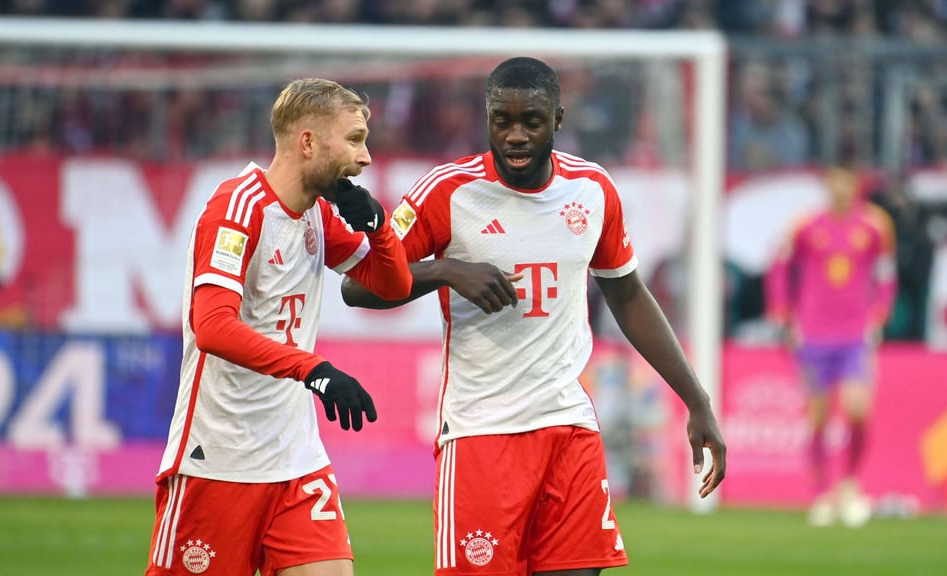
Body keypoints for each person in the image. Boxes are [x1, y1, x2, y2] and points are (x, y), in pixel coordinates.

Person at [342, 57, 726, 576]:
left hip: (568, 427)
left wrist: (696, 401)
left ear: (558, 120)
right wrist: (446, 270)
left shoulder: (592, 191)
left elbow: (629, 296)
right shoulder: (448, 191)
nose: (516, 135)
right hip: (481, 433)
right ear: (487, 119)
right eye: (503, 121)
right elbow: (357, 286)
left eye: (532, 121)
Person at [145, 78, 412, 576]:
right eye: (354, 139)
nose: (367, 157)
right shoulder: (237, 207)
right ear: (307, 141)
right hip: (219, 457)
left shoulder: (317, 215)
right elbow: (213, 327)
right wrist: (314, 370)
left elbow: (389, 287)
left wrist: (379, 227)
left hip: (297, 459)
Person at [766, 164, 897, 528]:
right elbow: (779, 265)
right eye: (834, 180)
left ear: (856, 184)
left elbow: (886, 274)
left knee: (858, 411)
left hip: (855, 335)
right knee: (819, 416)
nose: (840, 187)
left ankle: (851, 486)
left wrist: (879, 314)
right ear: (827, 184)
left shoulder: (875, 225)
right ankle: (822, 493)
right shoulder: (806, 225)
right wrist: (781, 310)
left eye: (847, 180)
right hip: (813, 334)